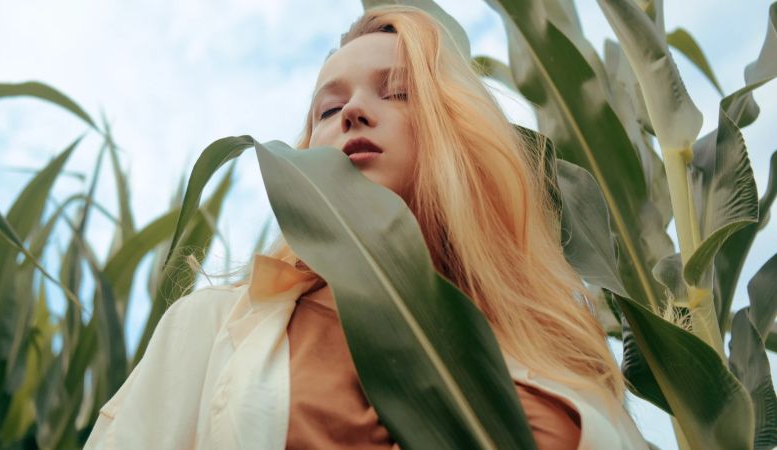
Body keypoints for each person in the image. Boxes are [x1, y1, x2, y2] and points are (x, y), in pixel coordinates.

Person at [85, 5, 648, 450]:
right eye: (327, 110)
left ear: (455, 130)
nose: (352, 111)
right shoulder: (211, 328)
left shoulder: (557, 346)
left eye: (398, 92)